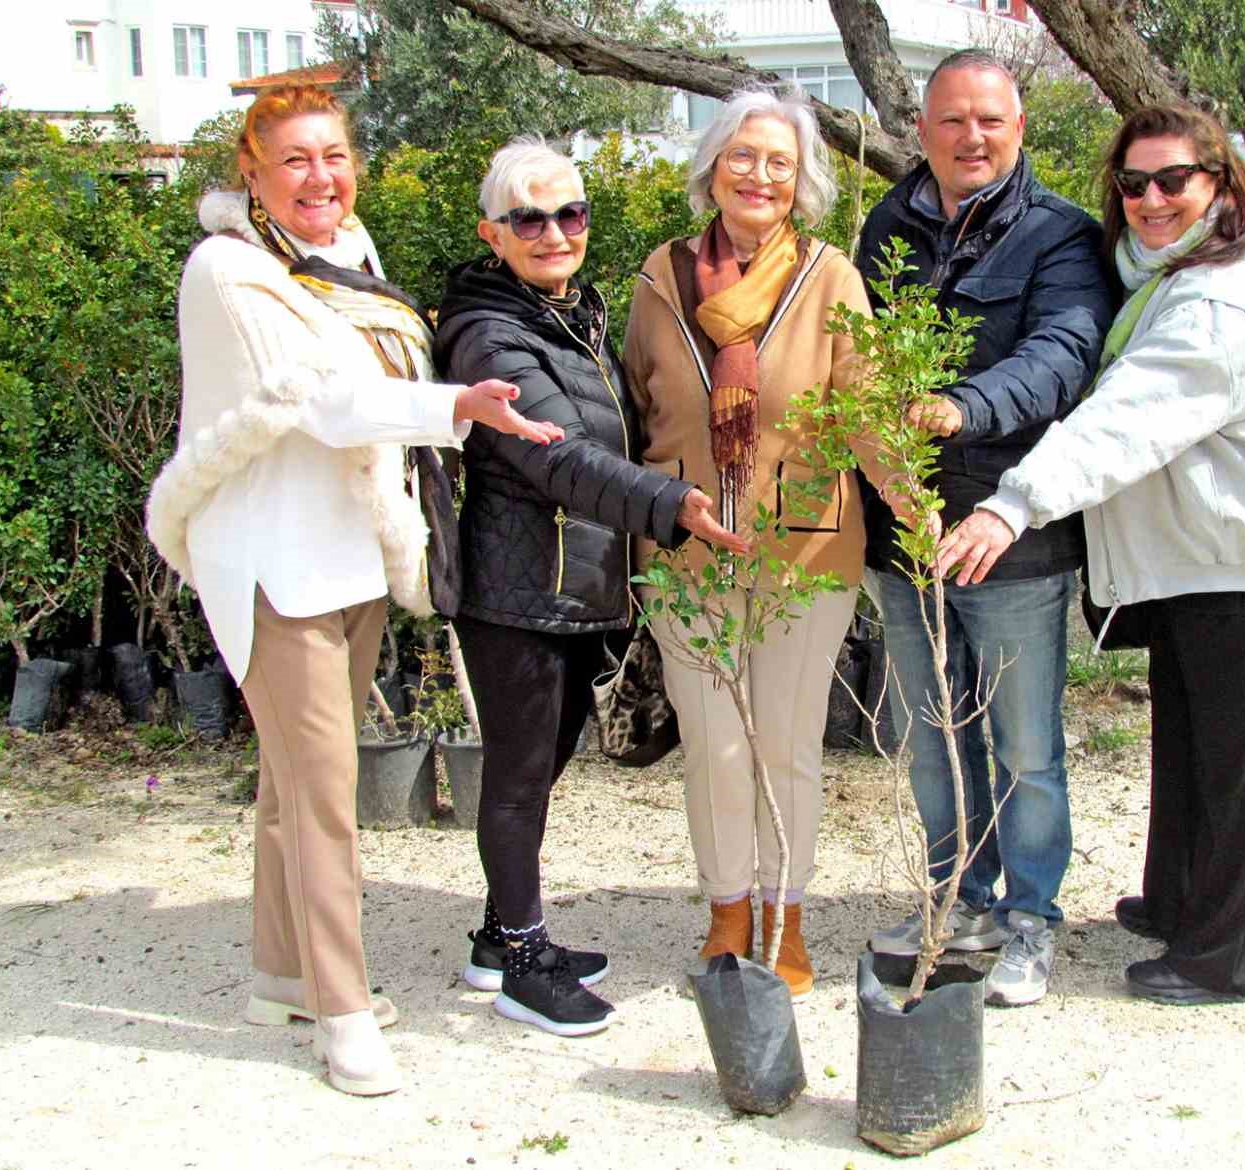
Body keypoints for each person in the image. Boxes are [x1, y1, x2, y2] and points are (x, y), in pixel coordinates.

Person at [146, 85, 562, 1097]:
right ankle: (342, 1010)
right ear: (251, 172)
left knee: (293, 785)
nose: (319, 177)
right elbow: (323, 402)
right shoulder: (228, 270)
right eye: (294, 160)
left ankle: (281, 974)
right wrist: (457, 406)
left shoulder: (350, 256)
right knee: (325, 793)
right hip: (270, 564)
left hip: (353, 557)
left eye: (333, 155)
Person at [934, 104, 1245, 1005]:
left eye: (1174, 180)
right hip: (1200, 552)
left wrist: (1013, 505)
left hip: (1244, 557)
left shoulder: (1220, 300)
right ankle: (1180, 902)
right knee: (1192, 747)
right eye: (1133, 183)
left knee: (1235, 767)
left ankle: (1231, 959)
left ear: (1221, 184)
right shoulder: (1172, 276)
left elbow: (1126, 423)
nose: (1151, 199)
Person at [433, 138, 747, 1036]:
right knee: (518, 777)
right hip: (517, 593)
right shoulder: (489, 333)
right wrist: (672, 505)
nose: (554, 233)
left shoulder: (568, 313)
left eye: (569, 214)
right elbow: (556, 457)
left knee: (542, 766)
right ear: (493, 234)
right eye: (528, 219)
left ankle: (498, 936)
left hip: (569, 586)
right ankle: (522, 959)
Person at [857, 50, 1116, 1007]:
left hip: (1012, 536)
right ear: (923, 130)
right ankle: (956, 897)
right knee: (931, 734)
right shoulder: (885, 227)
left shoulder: (1062, 236)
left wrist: (964, 407)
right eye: (954, 120)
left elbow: (1061, 355)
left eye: (991, 121)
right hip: (904, 532)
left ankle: (1031, 916)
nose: (973, 138)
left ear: (1019, 129)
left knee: (1025, 747)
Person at [622, 88, 877, 999]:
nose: (759, 176)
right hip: (687, 556)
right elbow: (639, 402)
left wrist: (914, 502)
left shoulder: (831, 277)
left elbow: (866, 409)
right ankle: (729, 910)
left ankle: (786, 918)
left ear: (801, 181)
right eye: (743, 156)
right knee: (715, 745)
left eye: (779, 162)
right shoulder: (660, 277)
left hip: (806, 556)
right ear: (713, 168)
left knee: (786, 746)